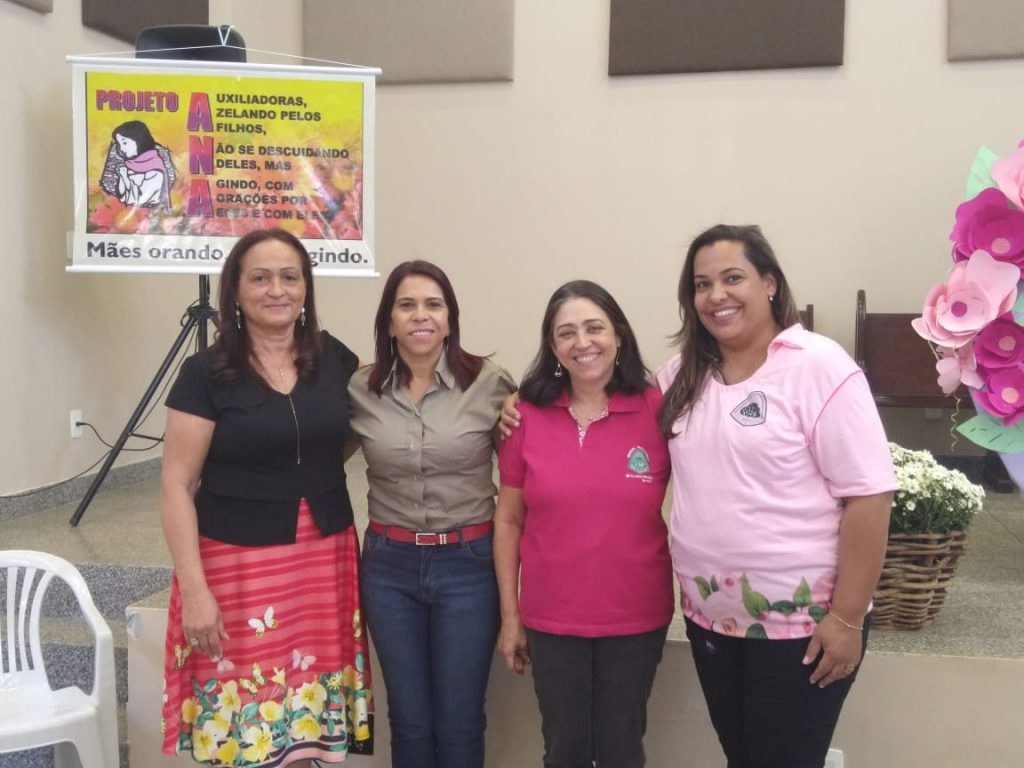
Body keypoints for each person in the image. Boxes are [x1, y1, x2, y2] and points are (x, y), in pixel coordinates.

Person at [656, 224, 895, 768]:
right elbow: (611, 417)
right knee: (742, 757)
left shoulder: (817, 366)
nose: (715, 295)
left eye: (732, 278)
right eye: (701, 284)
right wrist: (523, 409)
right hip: (710, 619)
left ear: (769, 283)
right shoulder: (680, 377)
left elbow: (869, 496)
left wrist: (847, 619)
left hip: (804, 626)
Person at [160, 228, 373, 767]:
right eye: (260, 278)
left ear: (306, 288)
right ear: (235, 290)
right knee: (249, 728)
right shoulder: (205, 373)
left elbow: (354, 431)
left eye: (289, 277)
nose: (277, 290)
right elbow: (177, 486)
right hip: (237, 568)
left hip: (323, 558)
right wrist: (194, 590)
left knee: (307, 720)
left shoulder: (334, 359)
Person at [494, 280, 674, 768]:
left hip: (635, 615)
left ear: (618, 335)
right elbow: (508, 521)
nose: (583, 342)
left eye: (595, 327)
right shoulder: (524, 415)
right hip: (552, 617)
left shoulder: (658, 408)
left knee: (621, 750)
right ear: (553, 348)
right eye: (566, 333)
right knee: (564, 750)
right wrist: (511, 617)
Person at [347, 260, 516, 768]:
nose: (420, 315)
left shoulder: (489, 384)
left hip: (469, 565)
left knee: (460, 719)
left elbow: (524, 477)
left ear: (449, 318)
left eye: (433, 304)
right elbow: (315, 456)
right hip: (388, 567)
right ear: (389, 320)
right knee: (409, 719)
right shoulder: (360, 389)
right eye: (407, 305)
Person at [101, 119, 176, 209]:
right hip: (126, 212)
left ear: (139, 140)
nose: (122, 148)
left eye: (124, 143)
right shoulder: (129, 165)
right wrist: (123, 176)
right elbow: (122, 195)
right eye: (119, 144)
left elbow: (136, 199)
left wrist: (125, 178)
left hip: (149, 213)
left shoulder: (155, 170)